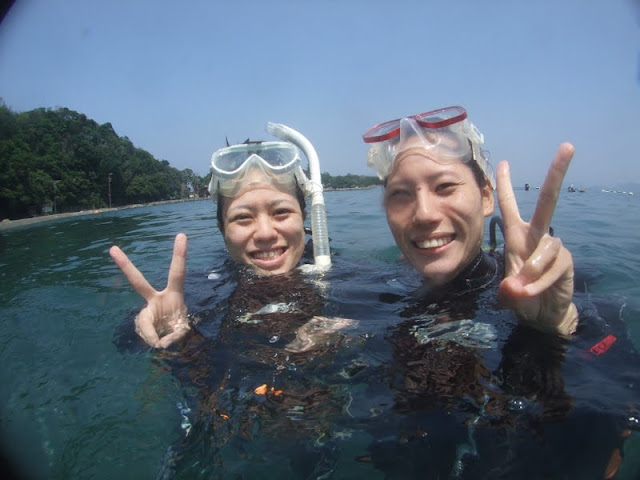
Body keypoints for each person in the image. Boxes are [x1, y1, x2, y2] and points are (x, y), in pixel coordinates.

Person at [359, 106, 637, 478]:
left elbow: (616, 411)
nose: (424, 213)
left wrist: (557, 330)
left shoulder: (549, 287)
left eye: (445, 187)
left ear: (486, 197)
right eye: (401, 194)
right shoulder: (379, 290)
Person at [109, 130, 357, 478]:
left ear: (305, 217)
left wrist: (350, 338)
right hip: (221, 429)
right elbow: (124, 343)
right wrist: (151, 327)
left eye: (281, 212)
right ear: (222, 229)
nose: (265, 232)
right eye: (243, 218)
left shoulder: (348, 280)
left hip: (316, 430)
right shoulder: (201, 288)